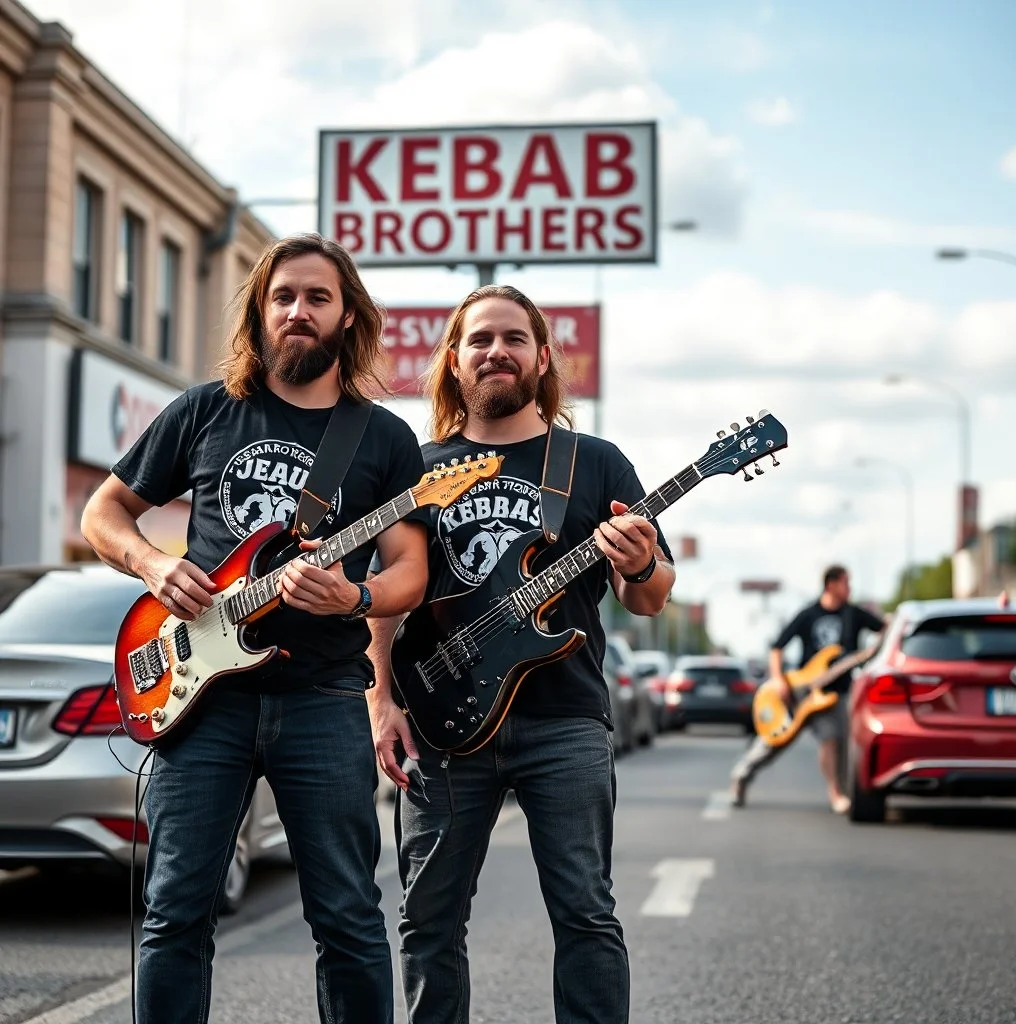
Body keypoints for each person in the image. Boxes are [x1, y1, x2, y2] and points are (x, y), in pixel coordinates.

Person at [80, 233, 430, 1024]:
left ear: (348, 317)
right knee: (174, 916)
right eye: (284, 297)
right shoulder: (207, 410)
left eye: (317, 297)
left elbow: (411, 568)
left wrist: (355, 597)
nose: (298, 311)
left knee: (347, 918)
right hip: (201, 699)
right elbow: (103, 513)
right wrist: (151, 565)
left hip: (324, 697)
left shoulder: (381, 439)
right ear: (261, 312)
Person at [366, 284, 675, 1024]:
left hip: (563, 719)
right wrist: (380, 702)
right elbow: (383, 597)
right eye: (479, 340)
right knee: (427, 922)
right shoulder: (419, 468)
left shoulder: (594, 464)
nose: (495, 352)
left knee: (586, 916)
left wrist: (635, 562)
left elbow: (651, 596)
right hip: (440, 724)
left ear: (541, 358)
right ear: (453, 359)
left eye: (512, 339)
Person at [729, 564, 885, 814]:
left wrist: (878, 647)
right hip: (799, 691)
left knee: (834, 742)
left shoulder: (853, 614)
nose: (849, 588)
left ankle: (837, 793)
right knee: (773, 740)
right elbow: (777, 647)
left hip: (834, 695)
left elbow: (885, 628)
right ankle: (741, 776)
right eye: (846, 583)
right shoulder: (809, 614)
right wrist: (779, 680)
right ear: (831, 584)